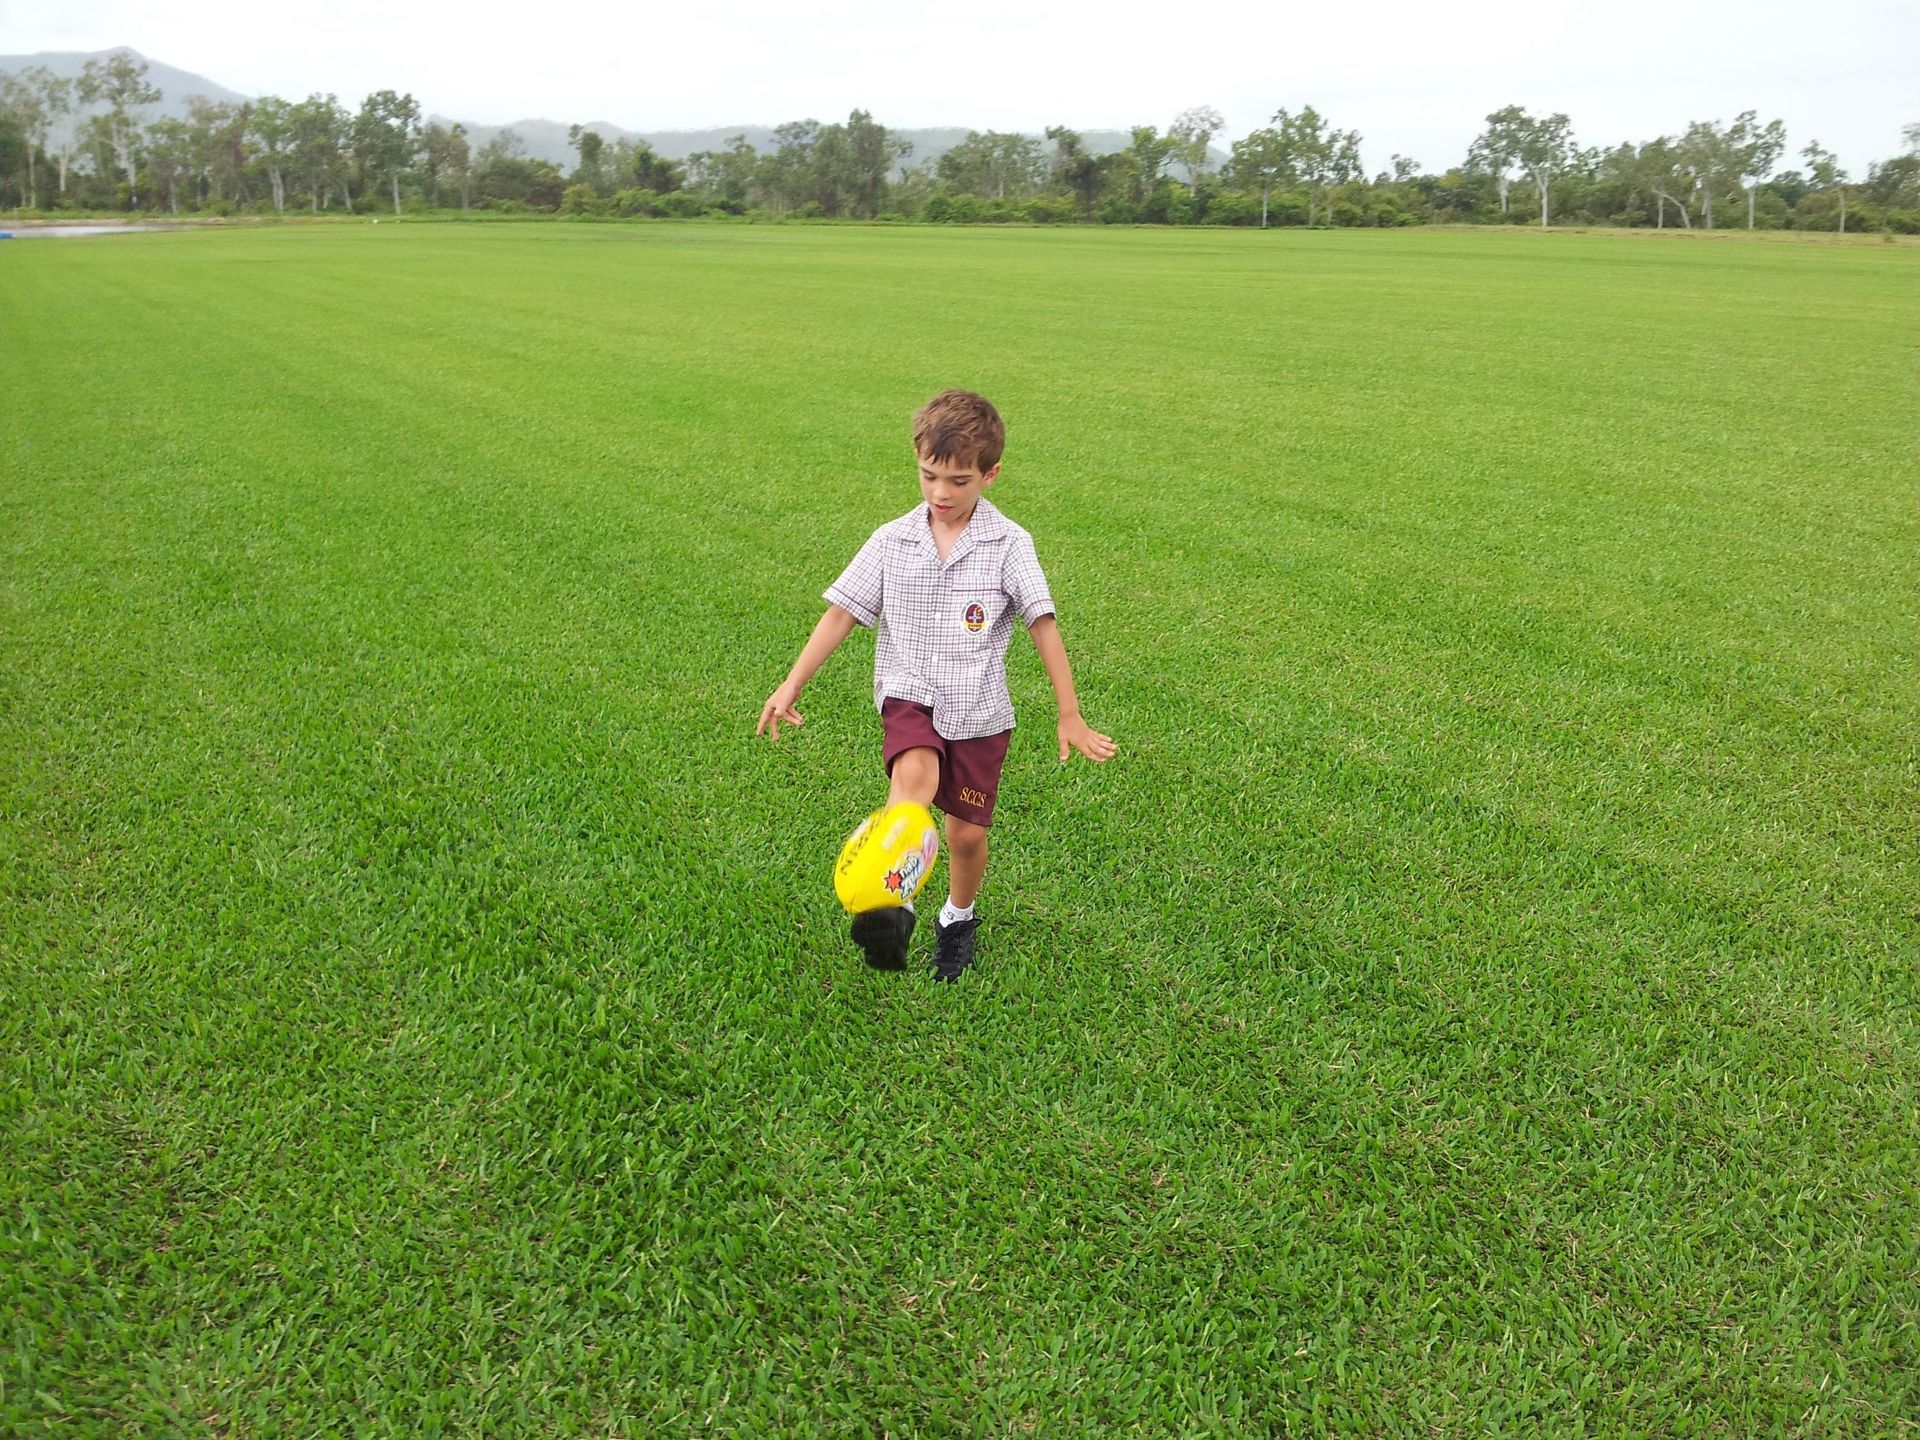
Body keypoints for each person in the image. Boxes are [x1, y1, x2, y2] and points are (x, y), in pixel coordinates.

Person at [756, 389, 1116, 980]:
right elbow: (841, 612)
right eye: (929, 477)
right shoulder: (891, 539)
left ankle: (958, 916)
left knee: (966, 836)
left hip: (978, 709)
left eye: (958, 480)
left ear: (990, 475)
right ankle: (889, 911)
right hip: (908, 688)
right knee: (914, 781)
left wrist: (1068, 713)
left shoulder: (1009, 545)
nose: (941, 494)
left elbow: (1042, 625)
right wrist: (792, 683)